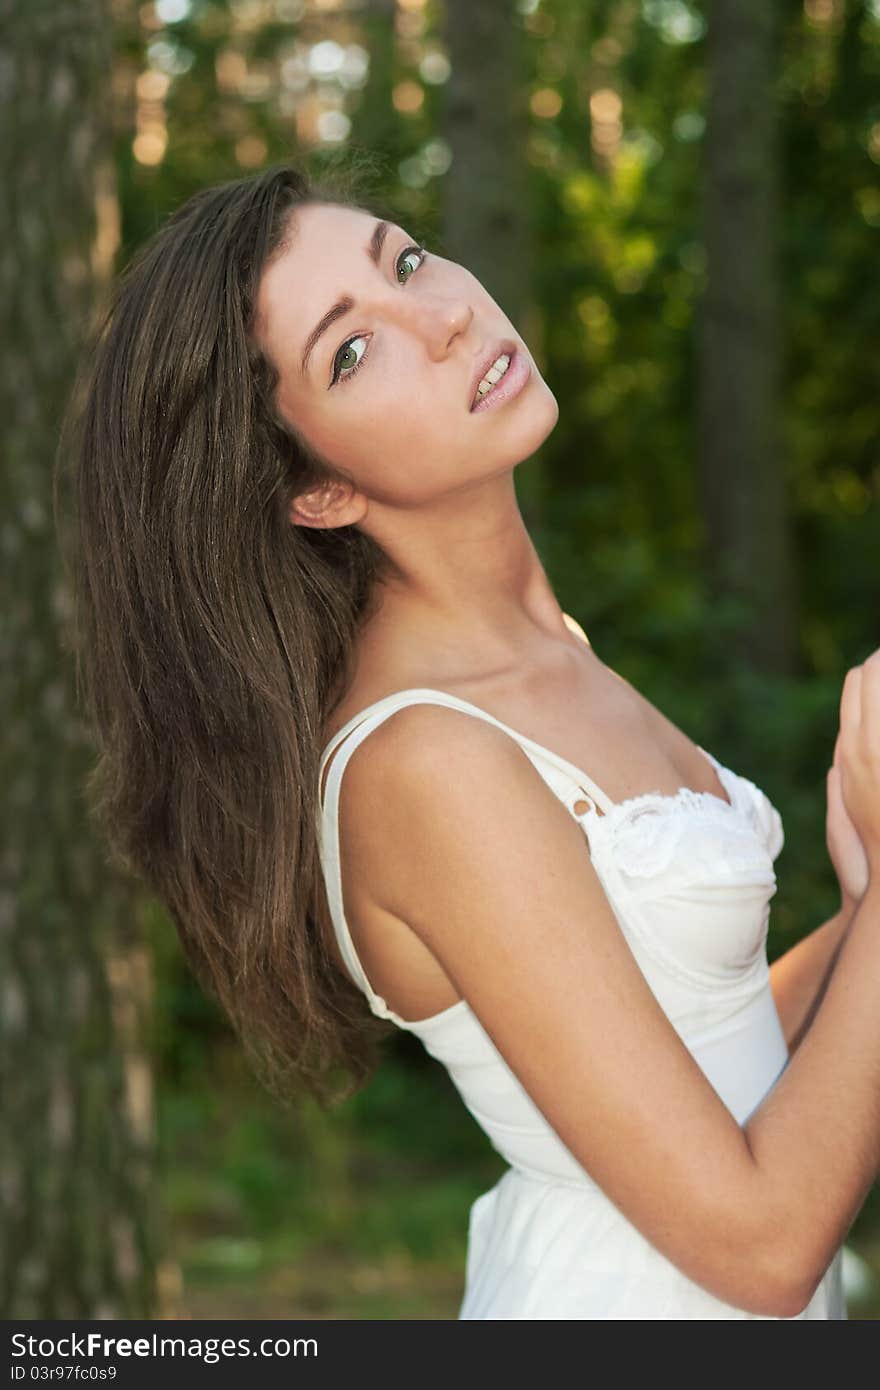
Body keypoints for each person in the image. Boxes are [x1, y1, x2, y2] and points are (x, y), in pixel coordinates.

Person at [58, 160, 879, 1320]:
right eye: (352, 350)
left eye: (403, 259)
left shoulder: (551, 652)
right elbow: (761, 1244)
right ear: (315, 492)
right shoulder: (423, 762)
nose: (444, 316)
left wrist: (857, 924)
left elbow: (715, 1046)